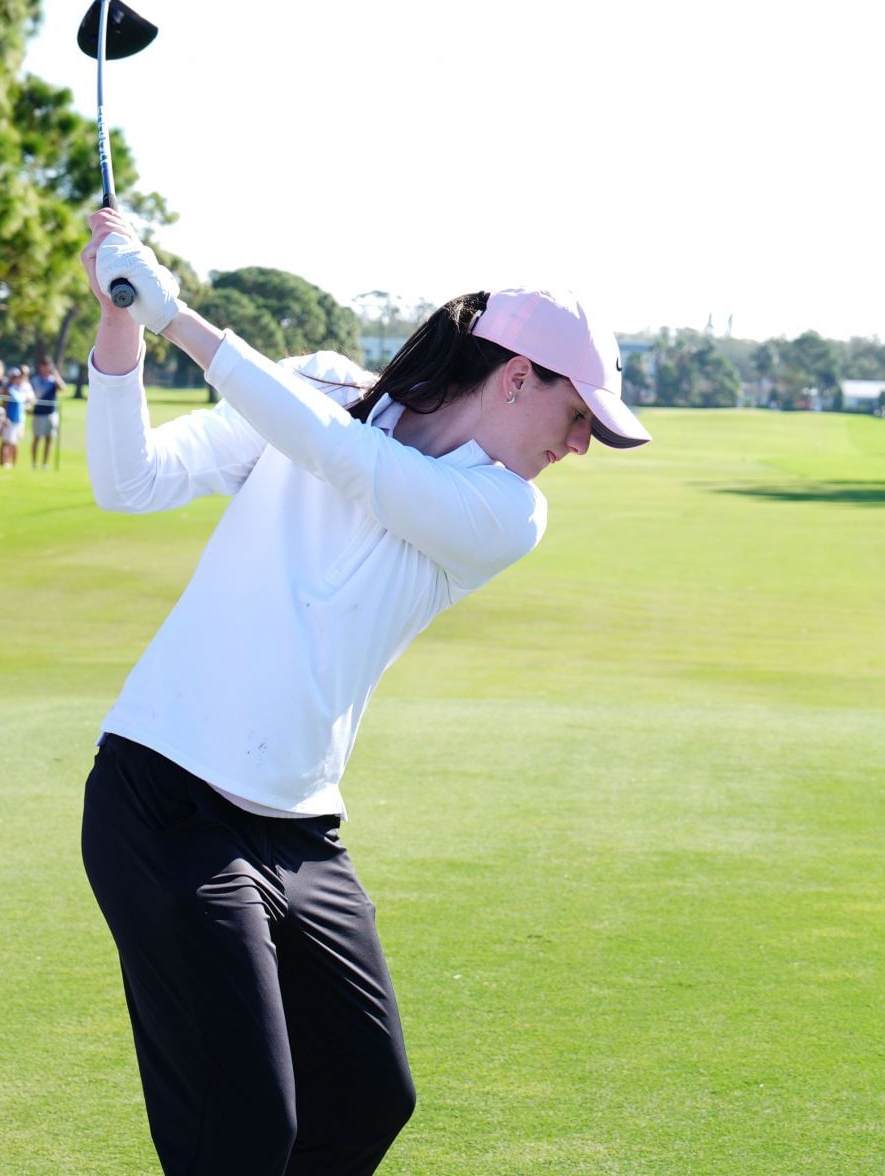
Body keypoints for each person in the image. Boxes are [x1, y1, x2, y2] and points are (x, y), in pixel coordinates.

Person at [76, 209, 650, 1175]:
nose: (581, 444)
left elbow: (345, 458)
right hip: (165, 801)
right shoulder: (319, 389)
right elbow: (128, 481)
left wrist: (184, 320)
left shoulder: (507, 512)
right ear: (517, 376)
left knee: (370, 1097)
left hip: (301, 832)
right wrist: (125, 319)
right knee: (245, 1136)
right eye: (578, 415)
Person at [28, 358, 67, 470]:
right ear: (40, 367)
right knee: (37, 438)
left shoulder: (53, 380)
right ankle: (34, 463)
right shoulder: (35, 380)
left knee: (49, 439)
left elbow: (63, 388)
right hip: (38, 413)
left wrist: (56, 376)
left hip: (51, 413)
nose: (46, 369)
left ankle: (45, 464)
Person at [0, 363, 32, 469]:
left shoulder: (22, 389)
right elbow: (4, 405)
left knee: (15, 442)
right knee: (6, 442)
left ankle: (13, 464)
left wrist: (27, 406)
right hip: (9, 419)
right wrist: (4, 417)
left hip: (19, 420)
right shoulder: (8, 389)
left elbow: (29, 401)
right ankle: (3, 462)